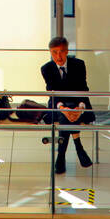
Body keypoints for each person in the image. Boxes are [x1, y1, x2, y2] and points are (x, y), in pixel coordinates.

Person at [40, 36, 94, 173]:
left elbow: (83, 89)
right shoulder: (46, 68)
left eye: (62, 52)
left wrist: (79, 108)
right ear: (50, 52)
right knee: (65, 114)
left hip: (78, 104)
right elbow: (52, 92)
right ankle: (78, 146)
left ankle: (61, 156)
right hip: (58, 105)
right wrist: (64, 109)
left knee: (68, 114)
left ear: (67, 51)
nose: (58, 56)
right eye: (54, 52)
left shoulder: (78, 64)